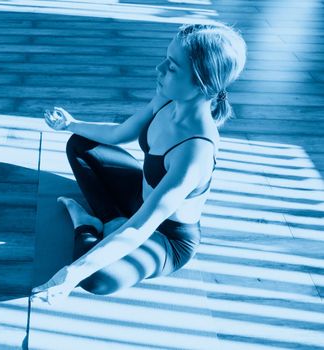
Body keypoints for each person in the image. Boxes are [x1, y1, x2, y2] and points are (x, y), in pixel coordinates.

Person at [32, 22, 247, 305]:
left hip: (166, 235)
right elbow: (119, 134)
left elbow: (140, 228)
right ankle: (110, 220)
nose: (158, 69)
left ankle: (86, 224)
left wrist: (71, 275)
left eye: (171, 66)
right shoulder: (167, 99)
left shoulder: (196, 152)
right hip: (140, 197)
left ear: (201, 83)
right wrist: (71, 124)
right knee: (80, 144)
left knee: (96, 278)